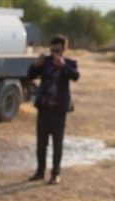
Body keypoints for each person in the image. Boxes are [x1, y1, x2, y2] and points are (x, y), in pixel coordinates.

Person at [27, 34, 79, 185]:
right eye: (52, 50)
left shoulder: (69, 63)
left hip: (59, 110)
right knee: (41, 142)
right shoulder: (45, 62)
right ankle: (39, 171)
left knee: (57, 143)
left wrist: (63, 66)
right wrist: (35, 65)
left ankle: (55, 173)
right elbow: (30, 75)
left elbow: (75, 76)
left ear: (64, 49)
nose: (54, 53)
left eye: (57, 50)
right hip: (44, 108)